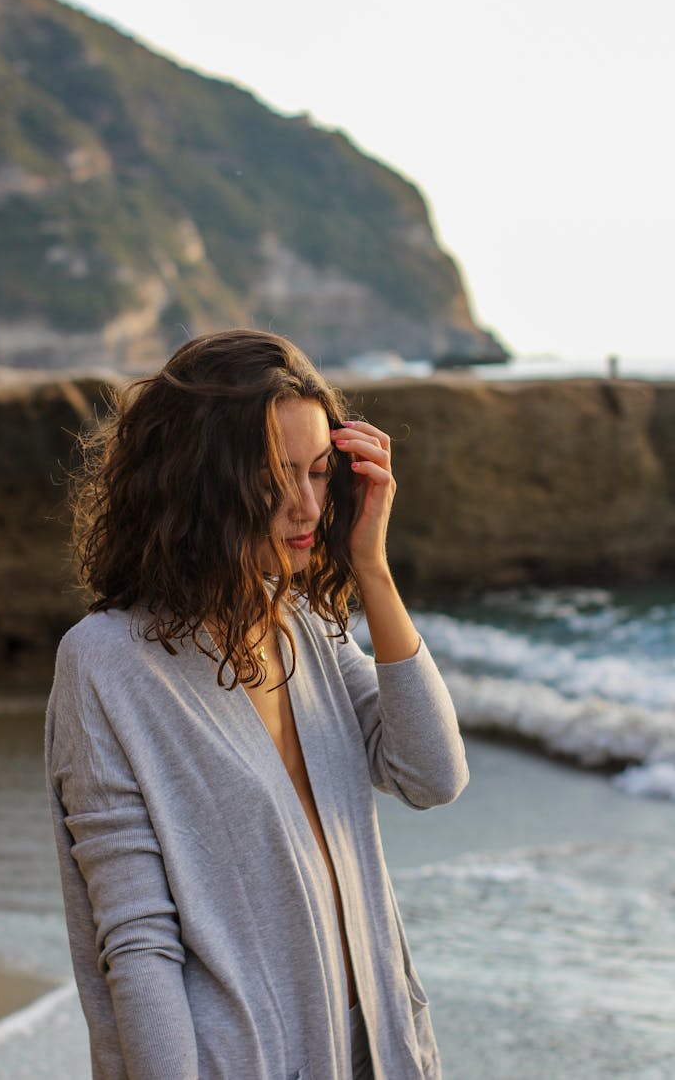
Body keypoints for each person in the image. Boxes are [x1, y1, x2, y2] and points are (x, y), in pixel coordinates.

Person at [45, 328, 468, 1080]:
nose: (308, 506)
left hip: (380, 1047)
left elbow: (431, 771)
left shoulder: (301, 622)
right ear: (207, 482)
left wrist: (371, 565)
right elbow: (139, 943)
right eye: (277, 479)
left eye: (319, 472)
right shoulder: (105, 662)